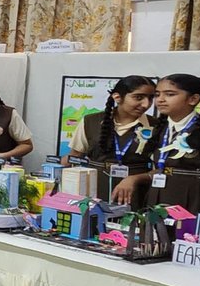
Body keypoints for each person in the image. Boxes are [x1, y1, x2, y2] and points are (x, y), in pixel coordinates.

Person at [64, 76, 158, 206]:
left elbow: (161, 170)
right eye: (138, 97)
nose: (146, 104)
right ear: (117, 97)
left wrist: (134, 179)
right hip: (94, 190)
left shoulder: (156, 126)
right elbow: (75, 156)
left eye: (151, 98)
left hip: (135, 194)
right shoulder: (90, 121)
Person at [140, 74, 200, 213]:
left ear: (193, 99)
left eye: (170, 94)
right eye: (157, 94)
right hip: (160, 194)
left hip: (197, 198)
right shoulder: (160, 129)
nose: (160, 99)